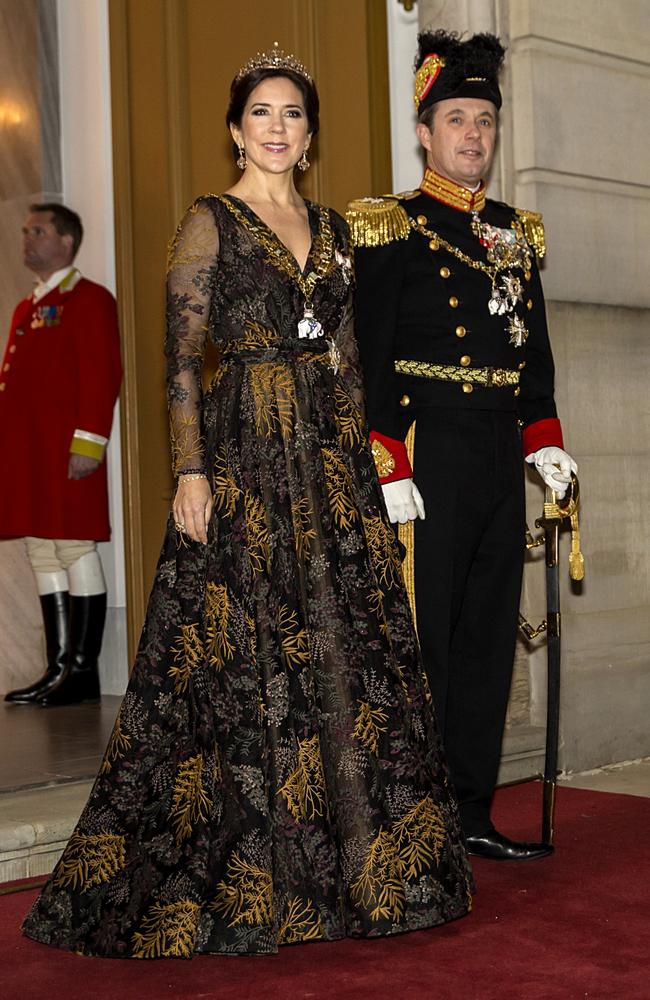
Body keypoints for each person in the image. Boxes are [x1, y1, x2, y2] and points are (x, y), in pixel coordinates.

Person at [22, 46, 472, 958]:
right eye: (262, 112)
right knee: (237, 651)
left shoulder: (338, 229)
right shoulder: (210, 224)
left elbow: (347, 357)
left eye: (293, 115)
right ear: (237, 128)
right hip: (244, 455)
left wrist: (374, 467)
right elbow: (182, 362)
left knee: (350, 652)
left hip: (330, 458)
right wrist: (189, 471)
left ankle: (365, 872)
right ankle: (251, 873)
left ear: (309, 136)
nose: (277, 127)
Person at [348, 31, 577, 861]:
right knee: (422, 638)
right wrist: (386, 460)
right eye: (456, 119)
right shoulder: (389, 227)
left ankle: (472, 808)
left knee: (485, 637)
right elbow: (367, 360)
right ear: (424, 131)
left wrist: (543, 441)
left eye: (484, 120)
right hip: (426, 449)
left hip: (493, 450)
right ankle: (414, 817)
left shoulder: (517, 233)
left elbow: (534, 360)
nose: (473, 135)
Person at [1, 204, 122, 707]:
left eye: (39, 231)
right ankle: (58, 667)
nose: (27, 239)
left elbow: (101, 373)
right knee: (40, 547)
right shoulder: (28, 306)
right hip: (30, 454)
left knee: (73, 546)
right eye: (26, 232)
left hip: (67, 450)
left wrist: (89, 442)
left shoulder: (89, 299)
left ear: (67, 241)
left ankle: (82, 670)